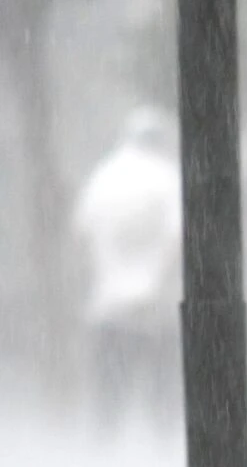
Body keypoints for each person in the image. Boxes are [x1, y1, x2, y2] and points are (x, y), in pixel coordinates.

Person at [72, 107, 183, 440]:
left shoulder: (104, 175)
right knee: (162, 380)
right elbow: (178, 234)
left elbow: (80, 231)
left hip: (109, 302)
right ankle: (164, 440)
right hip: (156, 301)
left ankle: (105, 443)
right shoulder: (167, 176)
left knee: (110, 382)